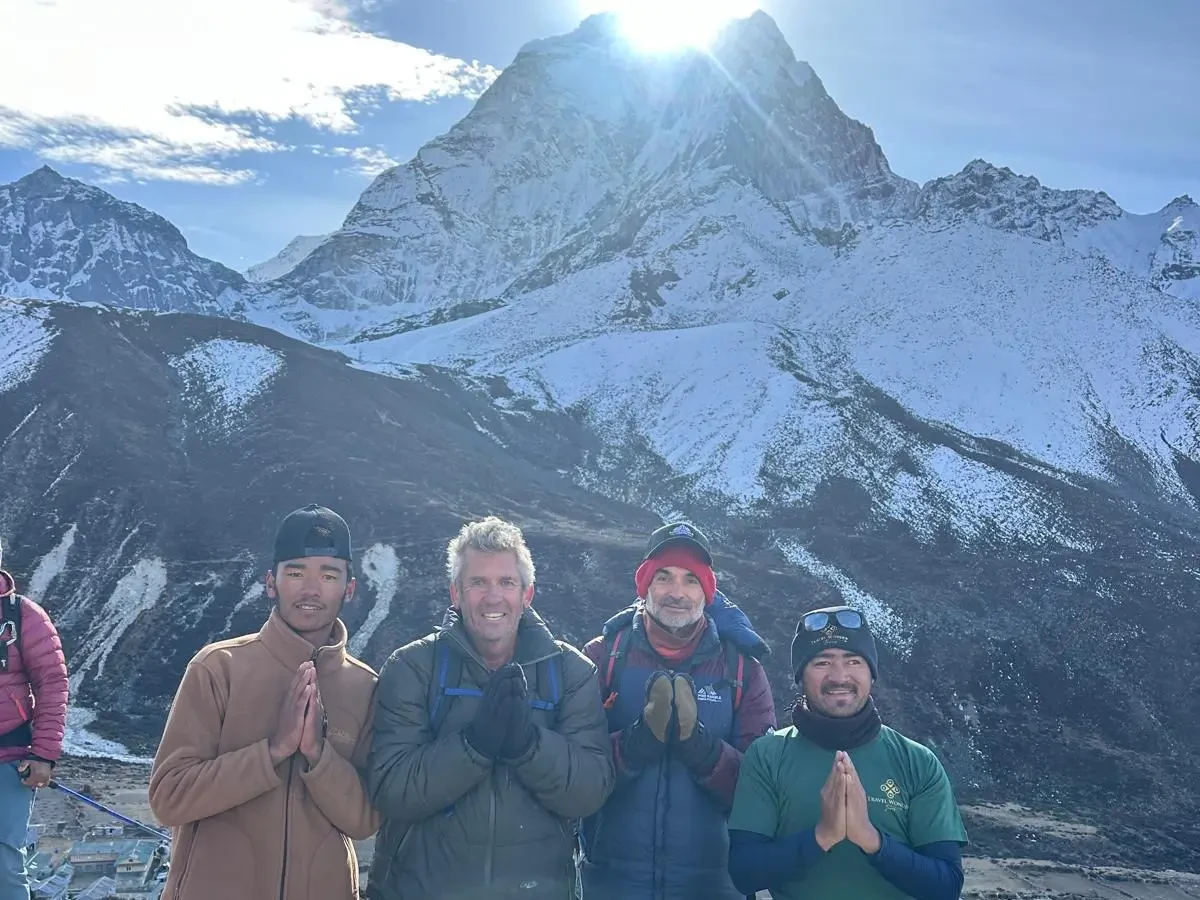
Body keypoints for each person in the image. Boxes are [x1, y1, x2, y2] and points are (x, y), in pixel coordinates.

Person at [366, 515, 614, 900]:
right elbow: (390, 788)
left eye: (506, 582)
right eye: (478, 582)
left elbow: (590, 790)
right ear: (456, 593)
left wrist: (528, 746)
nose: (493, 596)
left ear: (526, 594)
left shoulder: (571, 672)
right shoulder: (413, 667)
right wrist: (474, 746)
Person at [148, 504, 380, 900]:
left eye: (328, 575)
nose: (311, 589)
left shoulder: (365, 686)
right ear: (271, 582)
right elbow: (169, 798)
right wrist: (272, 751)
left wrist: (317, 754)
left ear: (350, 588)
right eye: (295, 573)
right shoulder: (218, 668)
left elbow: (364, 820)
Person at [578, 521, 777, 900]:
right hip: (612, 883)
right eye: (664, 577)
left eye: (691, 579)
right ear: (644, 584)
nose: (677, 593)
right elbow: (574, 774)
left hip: (714, 885)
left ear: (707, 590)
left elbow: (764, 791)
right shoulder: (602, 658)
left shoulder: (743, 670)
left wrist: (702, 750)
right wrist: (636, 744)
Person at [726, 605, 969, 900]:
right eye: (822, 662)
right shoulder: (767, 756)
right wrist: (822, 836)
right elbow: (744, 872)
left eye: (853, 661)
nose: (839, 676)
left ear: (872, 673)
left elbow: (946, 887)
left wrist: (871, 840)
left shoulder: (918, 762)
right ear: (800, 676)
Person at [0, 539, 68, 900]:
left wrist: (43, 755)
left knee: (3, 865)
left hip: (8, 758)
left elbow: (52, 682)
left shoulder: (22, 616)